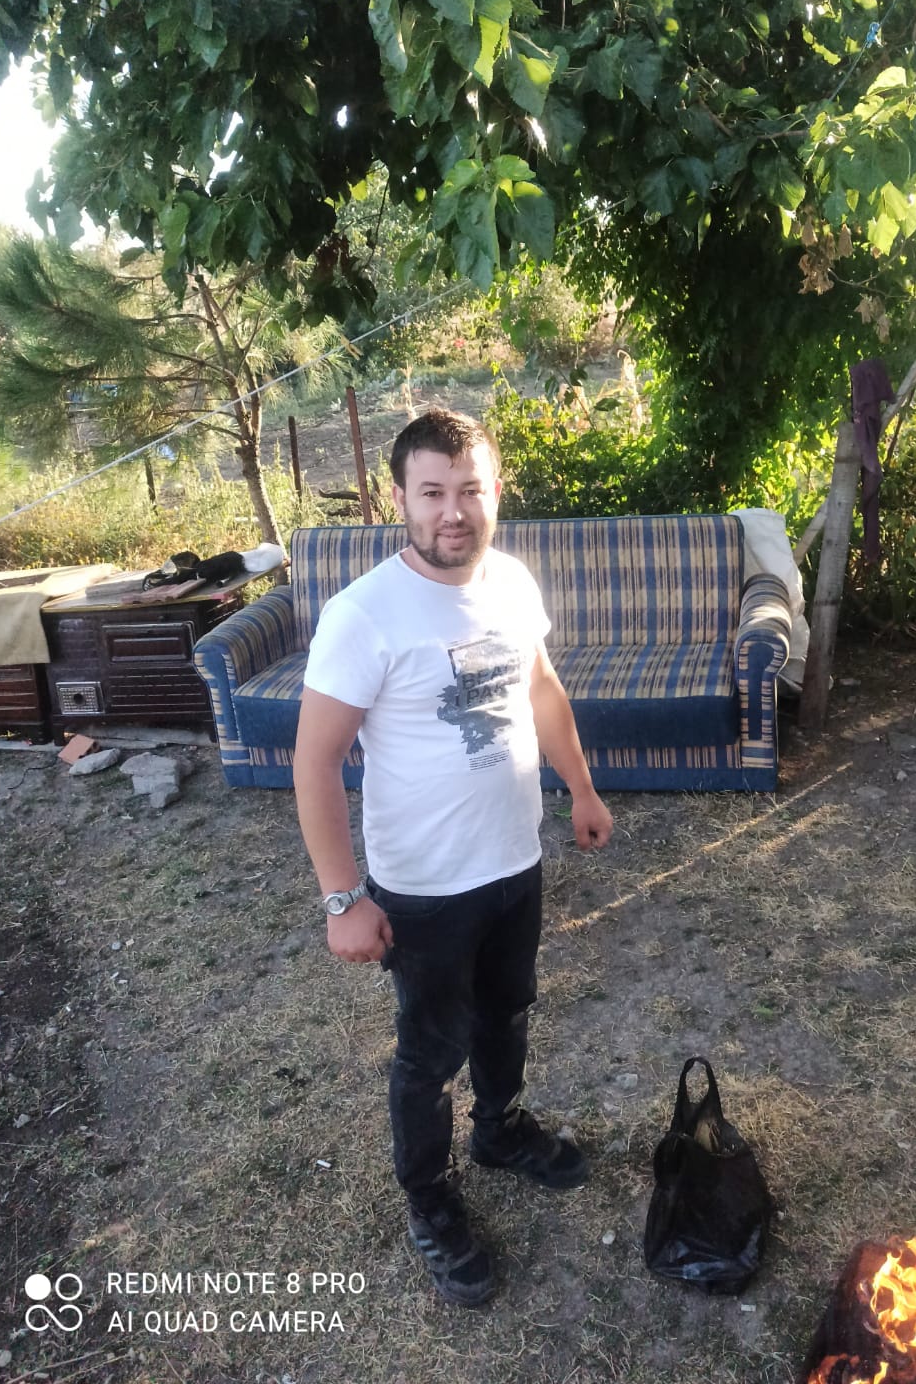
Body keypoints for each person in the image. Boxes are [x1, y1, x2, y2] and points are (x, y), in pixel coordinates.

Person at [293, 407, 614, 1307]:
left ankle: (500, 1130)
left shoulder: (509, 580)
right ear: (398, 497)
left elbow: (540, 688)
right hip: (425, 887)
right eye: (431, 492)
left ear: (495, 491)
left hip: (513, 859)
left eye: (469, 490)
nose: (452, 512)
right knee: (429, 1050)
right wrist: (341, 898)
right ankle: (430, 1197)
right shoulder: (363, 615)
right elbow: (314, 762)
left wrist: (582, 789)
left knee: (506, 1011)